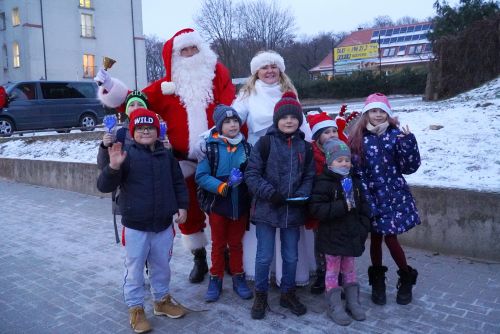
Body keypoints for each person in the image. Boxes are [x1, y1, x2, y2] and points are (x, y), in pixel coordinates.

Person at [95, 28, 236, 284]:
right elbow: (134, 100)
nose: (190, 54)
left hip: (219, 158)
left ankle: (223, 253)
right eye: (184, 50)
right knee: (188, 210)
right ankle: (199, 257)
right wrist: (110, 85)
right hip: (183, 162)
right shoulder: (165, 87)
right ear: (175, 56)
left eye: (194, 49)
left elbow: (233, 108)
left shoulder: (218, 76)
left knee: (221, 208)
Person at [96, 108, 189, 333]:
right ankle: (136, 308)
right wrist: (114, 167)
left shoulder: (166, 155)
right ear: (132, 132)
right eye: (140, 128)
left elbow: (178, 182)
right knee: (135, 268)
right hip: (136, 225)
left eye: (150, 128)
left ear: (157, 132)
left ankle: (161, 301)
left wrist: (182, 206)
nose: (145, 131)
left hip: (163, 224)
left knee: (162, 266)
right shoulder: (125, 154)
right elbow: (104, 186)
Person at [232, 50, 315, 288]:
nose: (269, 71)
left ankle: (288, 281)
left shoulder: (289, 94)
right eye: (264, 67)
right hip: (263, 157)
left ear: (280, 70)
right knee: (265, 230)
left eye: (274, 66)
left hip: (291, 160)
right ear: (256, 72)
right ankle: (261, 282)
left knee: (290, 232)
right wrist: (211, 137)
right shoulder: (248, 94)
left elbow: (304, 126)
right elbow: (232, 119)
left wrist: (312, 150)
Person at [244, 92, 315, 319]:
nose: (289, 121)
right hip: (267, 209)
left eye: (293, 117)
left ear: (298, 120)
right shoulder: (265, 143)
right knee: (264, 256)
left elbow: (309, 176)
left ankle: (287, 293)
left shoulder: (305, 147)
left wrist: (302, 194)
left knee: (291, 256)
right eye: (284, 117)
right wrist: (270, 193)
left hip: (292, 212)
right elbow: (252, 174)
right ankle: (261, 295)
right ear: (277, 120)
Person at [348, 93, 421, 305]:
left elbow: (409, 167)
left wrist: (408, 143)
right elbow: (357, 170)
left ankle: (406, 276)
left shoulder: (395, 135)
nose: (378, 115)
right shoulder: (358, 138)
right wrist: (363, 196)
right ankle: (378, 281)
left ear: (388, 114)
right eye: (374, 111)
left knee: (390, 238)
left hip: (393, 196)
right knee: (376, 239)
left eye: (382, 111)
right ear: (366, 113)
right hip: (371, 197)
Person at [309, 138, 370, 326]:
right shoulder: (323, 183)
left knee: (350, 269)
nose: (344, 163)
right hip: (332, 237)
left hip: (352, 235)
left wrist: (362, 228)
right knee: (332, 271)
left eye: (347, 160)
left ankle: (353, 301)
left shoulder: (355, 182)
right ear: (329, 162)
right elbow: (317, 209)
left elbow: (364, 208)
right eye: (339, 160)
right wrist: (343, 205)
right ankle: (334, 305)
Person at [195, 104, 253, 303]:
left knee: (236, 244)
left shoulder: (246, 147)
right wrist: (222, 186)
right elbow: (201, 176)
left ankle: (238, 277)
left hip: (240, 204)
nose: (232, 125)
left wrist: (246, 179)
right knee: (218, 244)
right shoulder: (209, 148)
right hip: (218, 205)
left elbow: (253, 172)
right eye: (227, 122)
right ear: (219, 126)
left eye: (235, 120)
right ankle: (215, 278)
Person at [304, 111, 340, 294]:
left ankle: (339, 273)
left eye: (334, 131)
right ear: (317, 136)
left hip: (339, 206)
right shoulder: (310, 154)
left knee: (338, 241)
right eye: (326, 132)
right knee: (320, 243)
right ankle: (322, 273)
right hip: (319, 206)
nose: (332, 135)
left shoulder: (342, 150)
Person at [97, 90, 150, 170]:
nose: (136, 108)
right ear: (126, 110)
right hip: (128, 180)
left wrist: (169, 149)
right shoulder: (120, 134)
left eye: (140, 104)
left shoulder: (155, 132)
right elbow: (103, 166)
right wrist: (105, 146)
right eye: (131, 105)